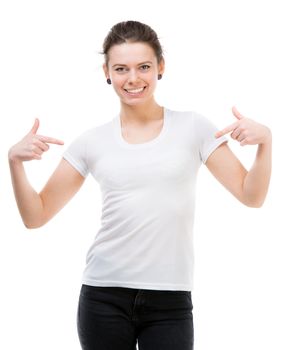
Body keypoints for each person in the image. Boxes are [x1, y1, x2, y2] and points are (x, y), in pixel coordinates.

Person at [8, 20, 272, 350]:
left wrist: (265, 143)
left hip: (170, 302)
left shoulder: (194, 128)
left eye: (143, 67)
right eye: (121, 68)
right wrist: (14, 162)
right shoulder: (92, 142)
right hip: (103, 298)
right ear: (106, 72)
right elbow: (36, 215)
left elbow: (252, 195)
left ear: (160, 67)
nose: (133, 79)